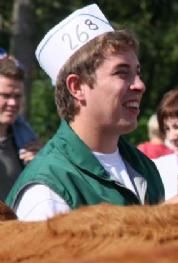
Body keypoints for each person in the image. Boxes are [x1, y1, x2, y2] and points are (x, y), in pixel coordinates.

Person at [6, 4, 164, 221]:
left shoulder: (143, 167)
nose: (140, 85)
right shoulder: (48, 190)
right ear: (77, 87)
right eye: (122, 73)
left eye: (137, 72)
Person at [0, 49, 42, 201]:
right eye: (5, 96)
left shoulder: (26, 142)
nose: (12, 103)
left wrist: (40, 166)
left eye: (17, 96)